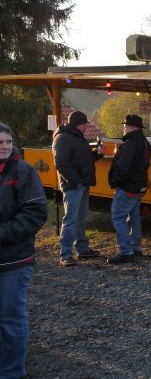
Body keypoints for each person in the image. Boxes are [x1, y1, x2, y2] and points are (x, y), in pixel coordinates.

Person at [0, 123, 48, 378]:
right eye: (0, 143)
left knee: (10, 316)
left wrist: (2, 234)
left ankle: (11, 372)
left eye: (8, 142)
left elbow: (36, 213)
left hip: (14, 260)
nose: (5, 147)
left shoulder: (23, 171)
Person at [52, 110, 103, 267]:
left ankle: (82, 249)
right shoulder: (63, 138)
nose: (87, 127)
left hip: (82, 183)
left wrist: (98, 155)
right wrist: (76, 182)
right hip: (74, 186)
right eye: (85, 123)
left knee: (80, 219)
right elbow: (61, 163)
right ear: (79, 124)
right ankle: (65, 254)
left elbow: (84, 159)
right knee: (71, 220)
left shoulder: (76, 138)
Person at [106, 115, 151, 265]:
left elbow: (122, 168)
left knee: (118, 217)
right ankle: (136, 247)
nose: (124, 128)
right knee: (134, 216)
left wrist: (114, 181)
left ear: (133, 127)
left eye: (125, 125)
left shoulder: (130, 145)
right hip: (140, 186)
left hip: (128, 187)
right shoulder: (145, 143)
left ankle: (125, 252)